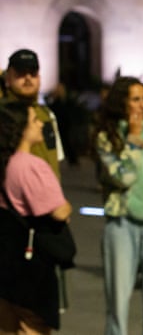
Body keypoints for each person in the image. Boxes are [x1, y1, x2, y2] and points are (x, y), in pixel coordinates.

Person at [94, 76, 143, 335]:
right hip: (122, 223)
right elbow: (123, 176)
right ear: (122, 103)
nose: (142, 105)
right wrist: (130, 142)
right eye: (135, 99)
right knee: (118, 300)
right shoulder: (108, 138)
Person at [0, 100, 73, 333]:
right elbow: (59, 211)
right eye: (33, 120)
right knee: (32, 325)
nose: (40, 124)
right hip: (31, 268)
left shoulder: (5, 163)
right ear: (21, 128)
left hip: (5, 260)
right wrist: (68, 207)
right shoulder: (32, 166)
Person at [2, 49, 65, 179]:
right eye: (21, 73)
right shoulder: (3, 116)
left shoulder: (47, 115)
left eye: (33, 73)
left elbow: (55, 159)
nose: (28, 78)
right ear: (8, 78)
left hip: (48, 196)